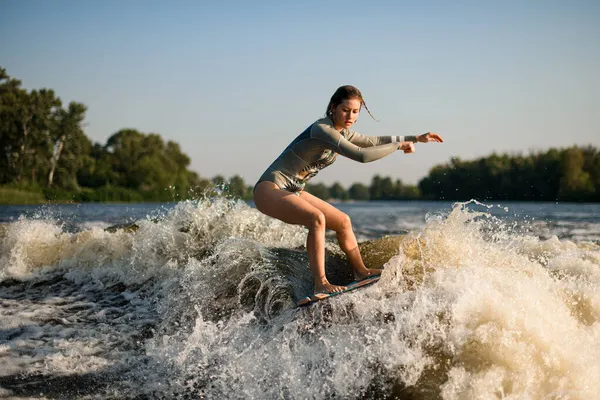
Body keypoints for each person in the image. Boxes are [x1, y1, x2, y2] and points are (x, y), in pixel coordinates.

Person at [253, 85, 443, 295]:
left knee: (343, 221)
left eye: (355, 112)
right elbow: (362, 155)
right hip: (270, 188)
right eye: (345, 110)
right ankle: (321, 283)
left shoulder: (342, 132)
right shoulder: (322, 129)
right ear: (333, 107)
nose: (350, 116)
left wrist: (415, 138)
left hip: (294, 189)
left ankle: (360, 271)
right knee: (317, 219)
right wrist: (399, 146)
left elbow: (373, 141)